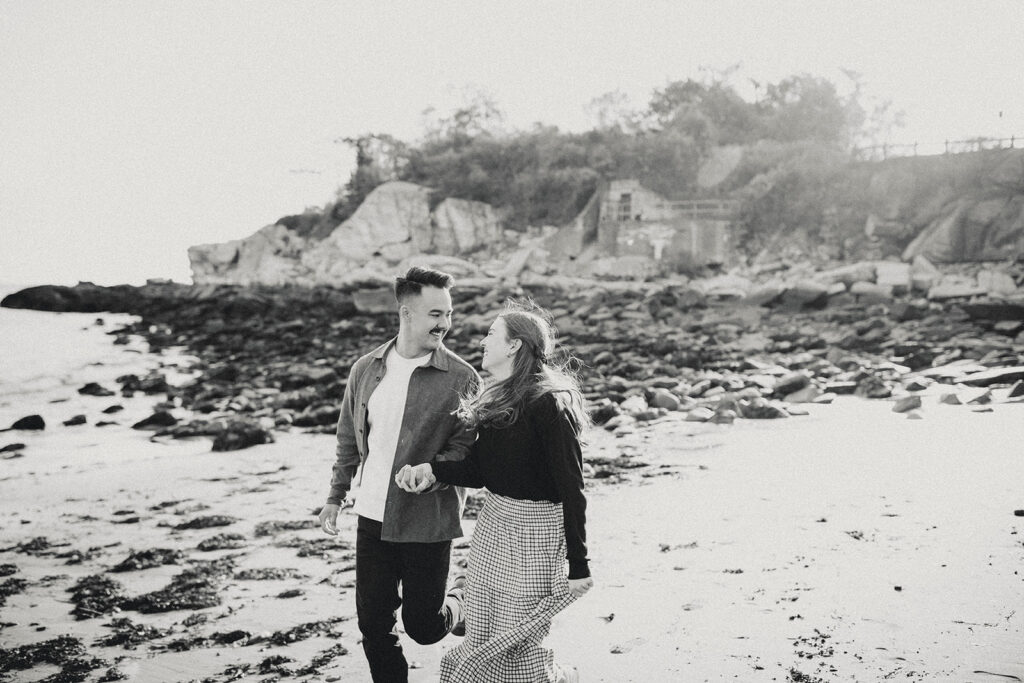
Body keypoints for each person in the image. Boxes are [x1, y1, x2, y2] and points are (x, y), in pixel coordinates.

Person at [396, 300, 593, 683]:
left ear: (514, 345)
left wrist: (579, 563)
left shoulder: (548, 403)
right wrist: (431, 469)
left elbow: (573, 488)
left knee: (516, 636)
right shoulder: (496, 400)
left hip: (537, 532)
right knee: (483, 625)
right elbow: (481, 471)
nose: (483, 341)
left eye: (491, 334)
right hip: (494, 524)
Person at [317, 266, 480, 683]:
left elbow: (465, 450)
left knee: (423, 628)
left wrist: (434, 473)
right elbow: (347, 439)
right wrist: (336, 496)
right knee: (373, 624)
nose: (445, 323)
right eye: (435, 314)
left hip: (427, 521)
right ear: (406, 313)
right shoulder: (365, 369)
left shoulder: (462, 378)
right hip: (371, 516)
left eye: (448, 313)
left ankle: (461, 601)